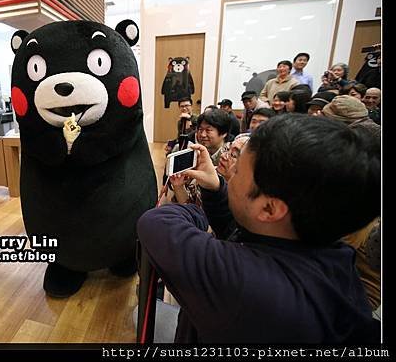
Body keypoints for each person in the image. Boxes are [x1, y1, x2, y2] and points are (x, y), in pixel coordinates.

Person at [137, 114, 380, 343]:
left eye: (239, 169)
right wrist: (215, 189)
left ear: (270, 209)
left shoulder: (247, 285)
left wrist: (196, 212)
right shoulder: (330, 253)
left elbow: (157, 223)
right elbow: (240, 225)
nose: (230, 170)